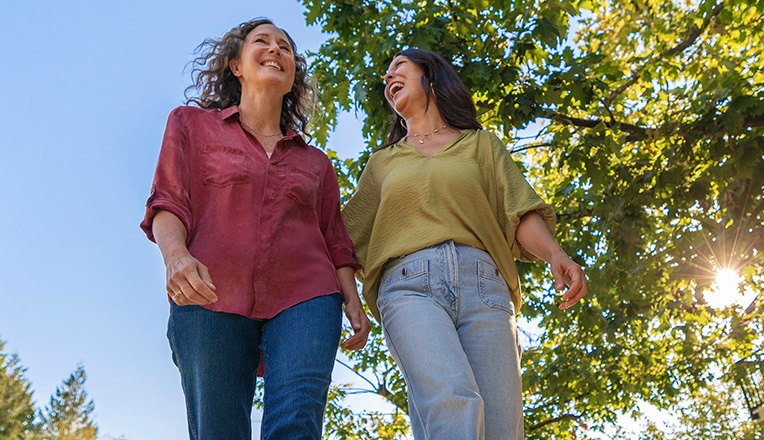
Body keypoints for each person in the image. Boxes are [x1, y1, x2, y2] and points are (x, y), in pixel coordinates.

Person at [140, 18, 371, 440]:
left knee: (297, 423)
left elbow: (334, 238)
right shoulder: (191, 125)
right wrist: (175, 256)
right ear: (236, 66)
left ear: (294, 76)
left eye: (285, 47)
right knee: (217, 429)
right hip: (209, 293)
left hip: (308, 297)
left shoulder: (316, 163)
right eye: (262, 42)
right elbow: (168, 201)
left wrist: (352, 298)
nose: (276, 50)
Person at [342, 48, 588, 440]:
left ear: (431, 77)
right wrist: (351, 300)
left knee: (502, 429)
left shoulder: (481, 146)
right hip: (409, 288)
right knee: (453, 402)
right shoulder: (383, 163)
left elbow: (519, 211)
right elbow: (342, 241)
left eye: (398, 68)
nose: (388, 79)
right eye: (385, 76)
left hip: (486, 289)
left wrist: (556, 254)